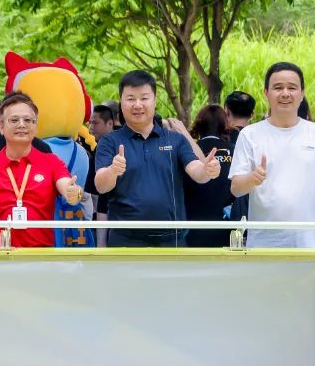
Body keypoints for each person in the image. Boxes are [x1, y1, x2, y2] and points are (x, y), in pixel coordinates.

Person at [94, 71, 221, 247]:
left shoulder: (175, 140)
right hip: (125, 241)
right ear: (121, 101)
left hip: (172, 241)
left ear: (155, 100)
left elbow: (197, 172)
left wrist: (207, 170)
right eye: (130, 99)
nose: (137, 105)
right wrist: (112, 171)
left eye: (144, 98)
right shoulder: (109, 141)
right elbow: (101, 186)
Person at [229, 62, 315, 248]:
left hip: (311, 245)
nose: (285, 93)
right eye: (278, 87)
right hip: (264, 245)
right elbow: (236, 189)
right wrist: (252, 178)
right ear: (266, 92)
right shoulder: (249, 135)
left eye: (292, 88)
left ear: (302, 93)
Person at [0, 93, 82, 248]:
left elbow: (67, 185)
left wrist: (74, 192)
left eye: (28, 120)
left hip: (40, 255)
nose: (22, 125)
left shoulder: (51, 162)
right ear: (1, 127)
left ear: (35, 126)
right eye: (14, 120)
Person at [181, 105, 234, 247]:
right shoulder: (233, 150)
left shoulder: (187, 151)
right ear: (224, 124)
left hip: (192, 225)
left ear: (199, 124)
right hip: (226, 226)